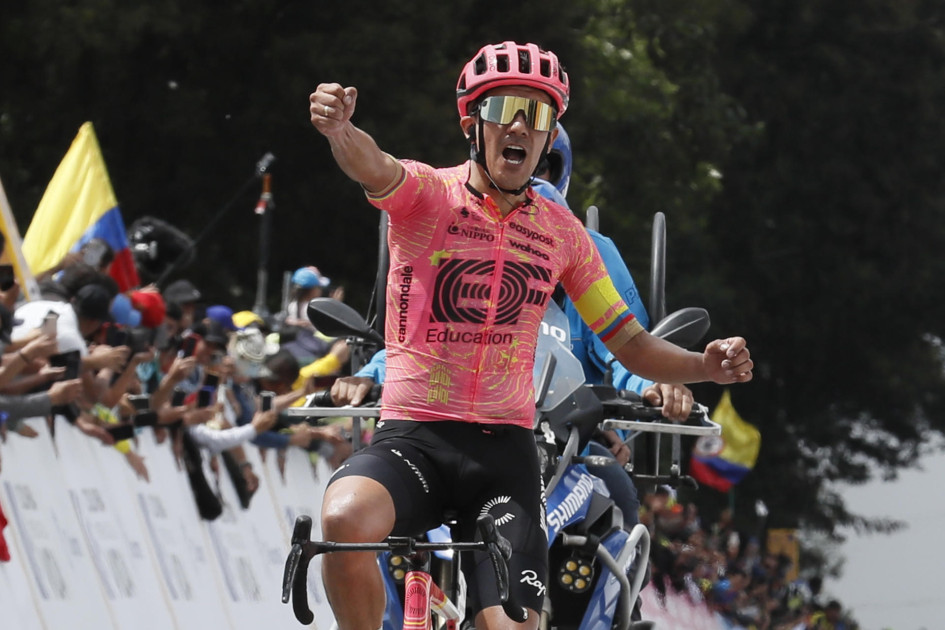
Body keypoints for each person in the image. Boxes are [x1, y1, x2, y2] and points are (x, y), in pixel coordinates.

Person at [309, 40, 752, 630]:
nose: (519, 125)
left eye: (537, 114)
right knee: (341, 521)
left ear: (549, 138)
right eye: (504, 109)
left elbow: (632, 346)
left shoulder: (565, 237)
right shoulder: (425, 196)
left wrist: (706, 366)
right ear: (473, 124)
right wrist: (342, 131)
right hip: (414, 439)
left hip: (503, 457)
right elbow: (374, 164)